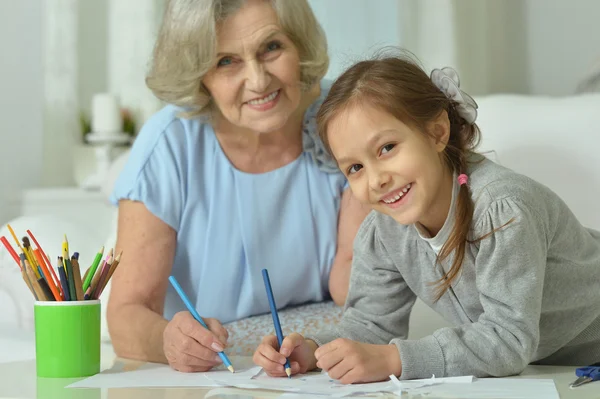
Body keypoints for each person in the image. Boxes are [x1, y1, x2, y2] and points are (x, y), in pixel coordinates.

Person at [253, 52, 600, 383]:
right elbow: (369, 328)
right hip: (556, 367)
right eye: (355, 167)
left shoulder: (502, 210)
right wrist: (314, 351)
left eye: (387, 148)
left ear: (437, 132)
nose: (376, 180)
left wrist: (395, 360)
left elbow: (507, 340)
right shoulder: (382, 232)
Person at [106, 0, 369, 373]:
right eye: (225, 61)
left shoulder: (344, 115)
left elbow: (361, 283)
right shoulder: (168, 145)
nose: (259, 81)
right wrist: (170, 342)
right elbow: (125, 316)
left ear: (298, 44)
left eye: (272, 47)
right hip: (219, 373)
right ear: (200, 75)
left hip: (319, 361)